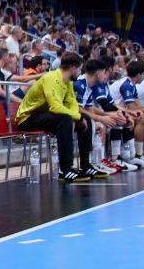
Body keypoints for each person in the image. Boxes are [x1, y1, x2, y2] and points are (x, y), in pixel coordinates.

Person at [15, 52, 106, 183]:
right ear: (72, 68)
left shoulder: (67, 82)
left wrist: (79, 117)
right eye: (79, 69)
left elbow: (72, 103)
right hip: (27, 118)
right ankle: (65, 170)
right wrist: (77, 118)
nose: (80, 72)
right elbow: (55, 107)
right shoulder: (52, 78)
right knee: (65, 119)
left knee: (84, 117)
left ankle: (85, 166)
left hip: (43, 115)